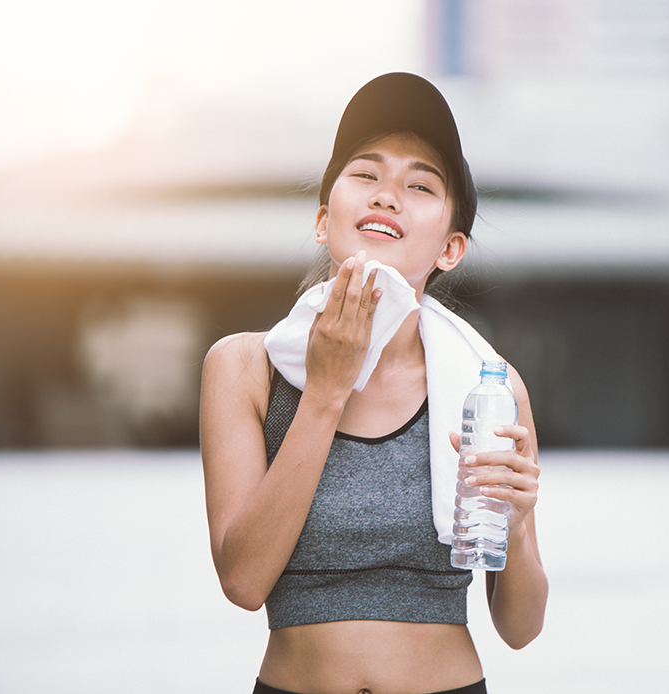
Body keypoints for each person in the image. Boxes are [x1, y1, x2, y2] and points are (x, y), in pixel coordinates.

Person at [200, 72, 547, 694]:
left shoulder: (485, 385)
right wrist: (326, 391)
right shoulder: (245, 368)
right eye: (366, 174)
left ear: (451, 248)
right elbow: (243, 582)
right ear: (322, 217)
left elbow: (520, 628)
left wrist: (516, 523)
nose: (388, 194)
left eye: (420, 185)